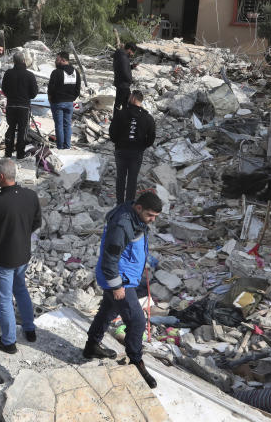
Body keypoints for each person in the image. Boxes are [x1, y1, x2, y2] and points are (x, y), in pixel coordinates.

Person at [84, 191, 163, 389]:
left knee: (107, 312)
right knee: (137, 322)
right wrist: (116, 285)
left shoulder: (135, 218)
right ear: (138, 208)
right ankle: (136, 361)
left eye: (155, 217)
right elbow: (110, 258)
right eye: (150, 216)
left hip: (125, 276)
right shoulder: (121, 225)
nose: (152, 221)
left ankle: (91, 346)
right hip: (119, 280)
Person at [0, 158, 42, 354]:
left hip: (2, 259)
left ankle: (9, 341)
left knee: (4, 300)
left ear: (1, 177)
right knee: (21, 290)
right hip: (23, 255)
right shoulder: (30, 195)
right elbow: (36, 223)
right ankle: (30, 330)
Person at [109, 90, 156, 205]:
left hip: (121, 150)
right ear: (140, 101)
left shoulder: (120, 113)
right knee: (132, 179)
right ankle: (129, 204)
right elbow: (151, 137)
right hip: (136, 152)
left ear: (132, 99)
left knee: (120, 177)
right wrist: (143, 146)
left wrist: (118, 143)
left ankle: (119, 203)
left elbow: (112, 132)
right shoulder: (148, 117)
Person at [1, 52, 39, 159]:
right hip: (24, 107)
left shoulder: (8, 73)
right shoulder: (30, 75)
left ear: (14, 61)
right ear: (24, 61)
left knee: (10, 129)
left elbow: (4, 89)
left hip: (11, 105)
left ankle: (8, 153)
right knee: (23, 130)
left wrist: (11, 96)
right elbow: (34, 93)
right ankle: (20, 153)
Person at [47, 51, 81, 149]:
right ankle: (67, 146)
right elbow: (77, 89)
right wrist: (71, 98)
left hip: (57, 103)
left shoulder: (56, 72)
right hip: (69, 103)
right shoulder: (76, 72)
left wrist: (51, 99)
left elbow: (51, 89)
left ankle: (60, 147)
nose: (55, 61)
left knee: (59, 126)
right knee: (67, 125)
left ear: (62, 60)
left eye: (57, 59)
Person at [113, 42, 137, 113]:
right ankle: (118, 119)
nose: (132, 54)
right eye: (132, 52)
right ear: (129, 49)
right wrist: (130, 80)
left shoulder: (121, 55)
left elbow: (123, 68)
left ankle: (119, 119)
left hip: (121, 83)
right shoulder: (123, 57)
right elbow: (124, 72)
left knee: (122, 103)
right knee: (122, 104)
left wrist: (132, 67)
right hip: (123, 84)